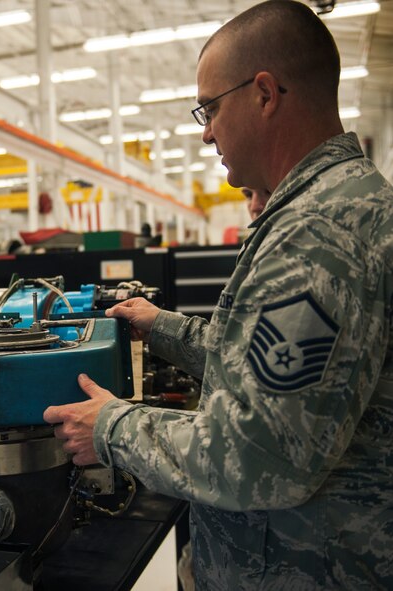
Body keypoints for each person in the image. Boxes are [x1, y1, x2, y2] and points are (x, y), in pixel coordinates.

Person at [44, 1, 393, 589]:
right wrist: (163, 327)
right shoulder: (344, 205)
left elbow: (259, 456)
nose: (205, 131)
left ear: (264, 93)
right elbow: (283, 374)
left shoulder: (316, 233)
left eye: (209, 108)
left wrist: (111, 427)